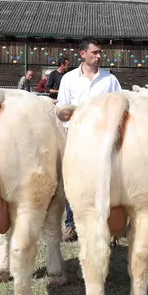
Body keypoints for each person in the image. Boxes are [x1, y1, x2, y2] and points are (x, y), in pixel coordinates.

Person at [56, 38, 122, 242]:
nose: (99, 56)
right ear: (82, 54)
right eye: (94, 52)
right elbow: (61, 107)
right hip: (75, 137)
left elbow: (120, 105)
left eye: (100, 52)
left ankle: (105, 222)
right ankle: (71, 224)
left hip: (103, 139)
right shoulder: (69, 79)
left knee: (104, 179)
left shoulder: (109, 80)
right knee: (73, 181)